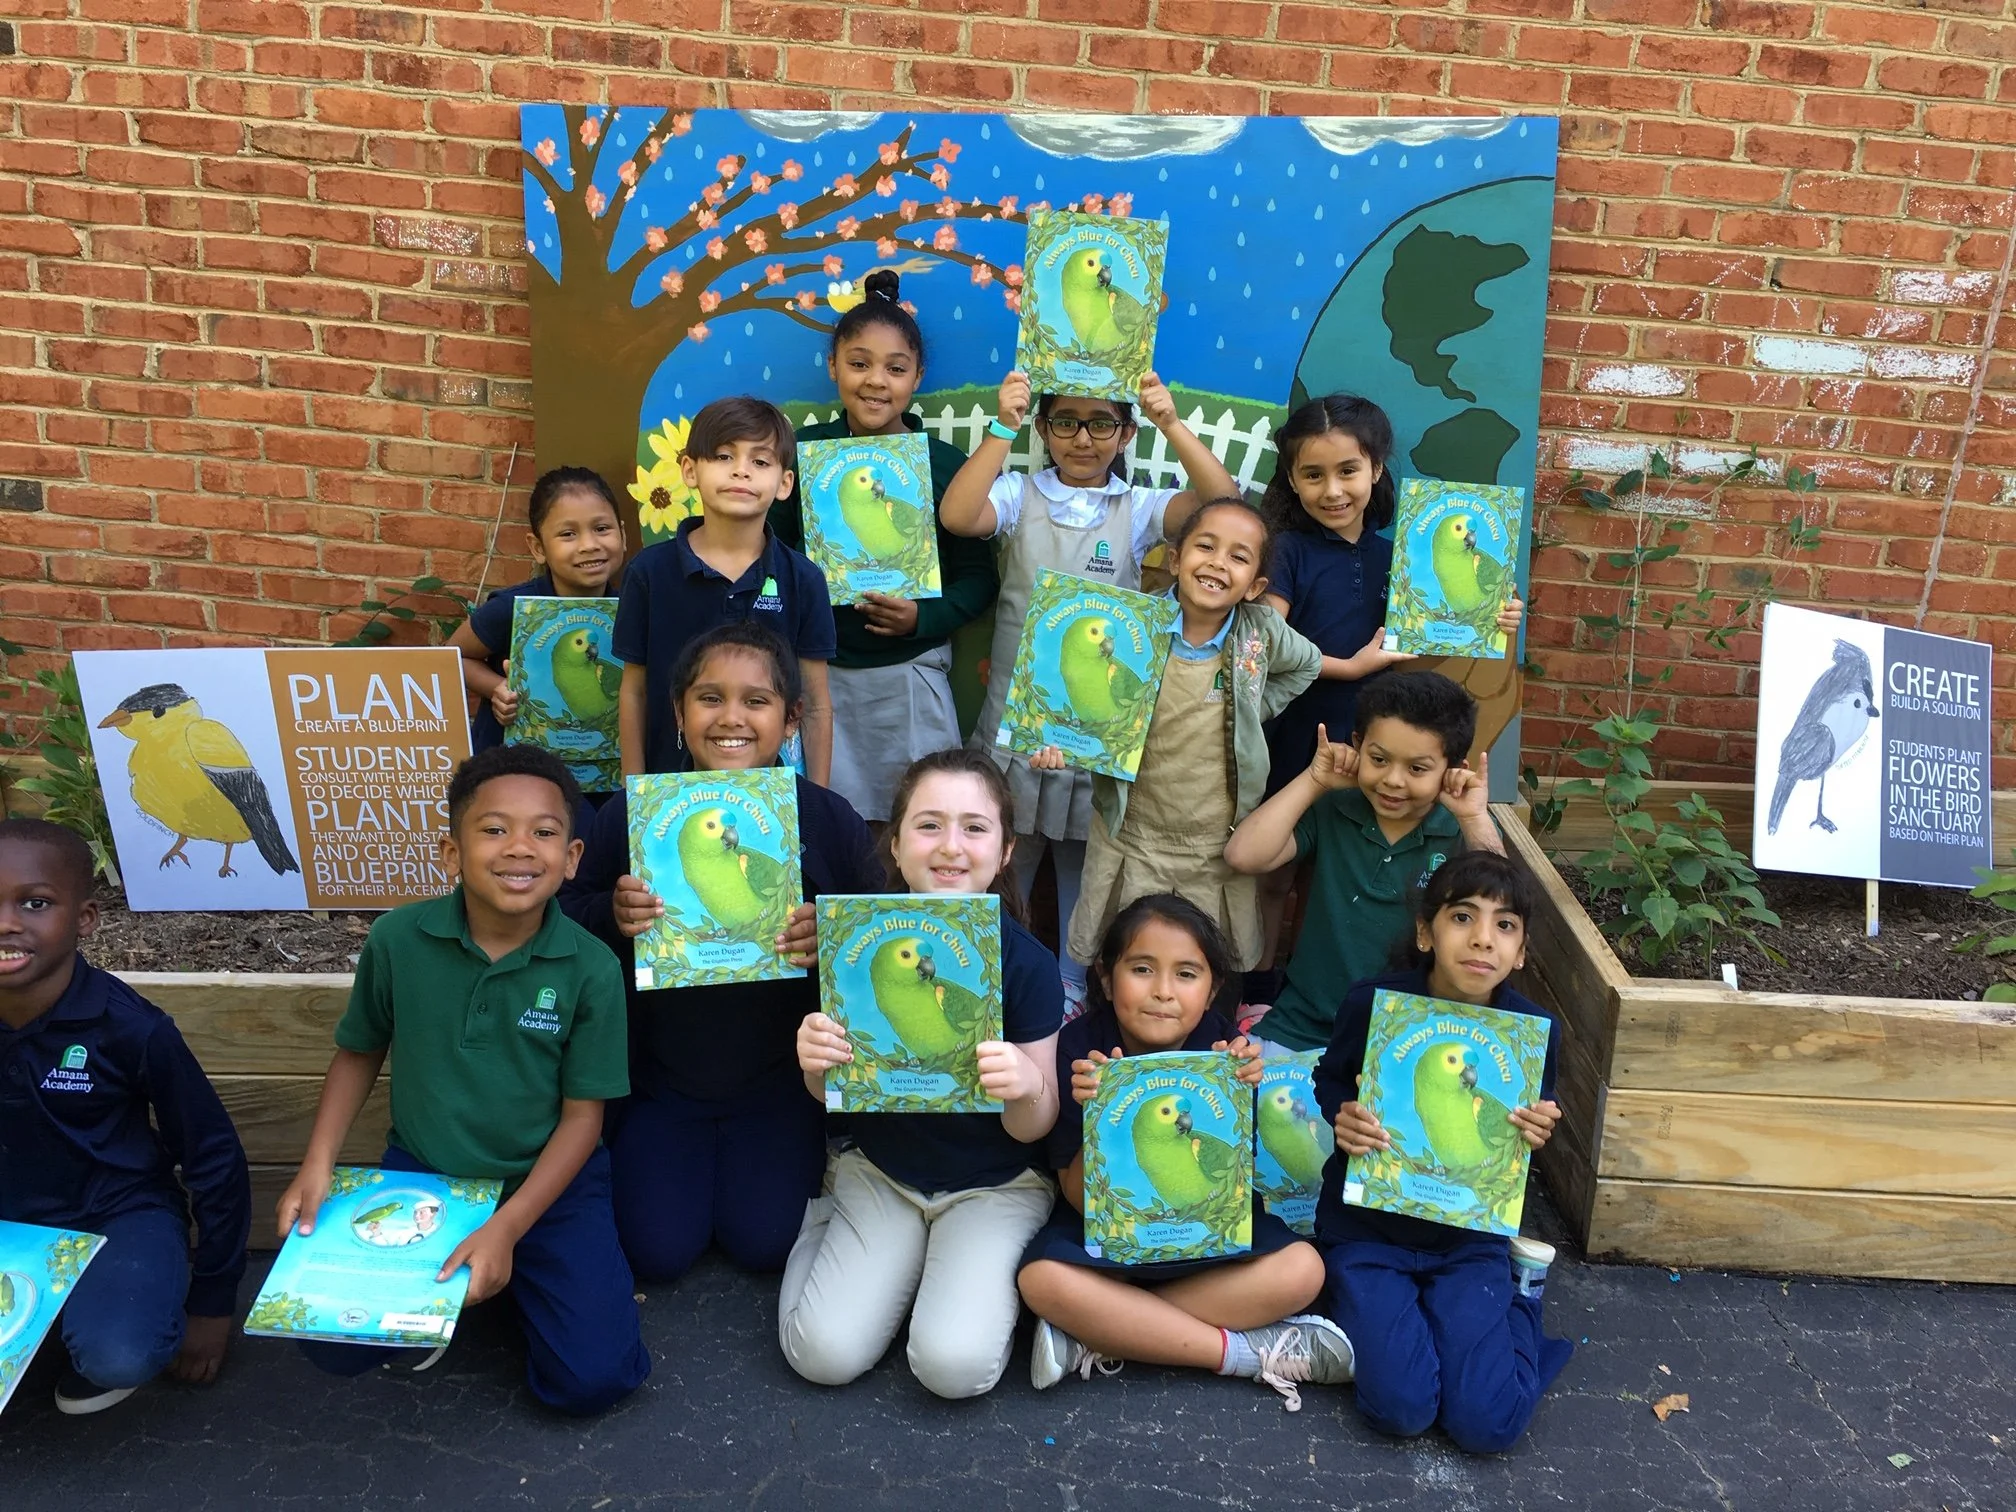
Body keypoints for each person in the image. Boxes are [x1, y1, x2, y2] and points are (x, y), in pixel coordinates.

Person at [277, 745, 649, 1416]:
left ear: (570, 861)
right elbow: (359, 1050)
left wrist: (509, 1227)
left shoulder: (591, 968)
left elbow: (582, 1119)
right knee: (329, 1341)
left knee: (592, 1380)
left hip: (547, 1186)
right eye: (493, 828)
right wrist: (318, 1163)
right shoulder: (396, 940)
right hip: (424, 1176)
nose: (519, 848)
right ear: (451, 854)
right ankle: (472, 1284)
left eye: (543, 832)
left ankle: (514, 1280)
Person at [561, 624, 881, 1283]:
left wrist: (835, 939)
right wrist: (610, 915)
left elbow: (882, 932)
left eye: (756, 701)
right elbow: (565, 913)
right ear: (678, 713)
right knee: (656, 1252)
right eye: (710, 698)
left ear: (791, 720)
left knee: (765, 1244)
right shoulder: (633, 815)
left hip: (779, 1083)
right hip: (661, 1080)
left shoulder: (827, 820)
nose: (731, 718)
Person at [940, 368, 1237, 1005]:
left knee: (1084, 858)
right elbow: (959, 514)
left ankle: (1071, 985)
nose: (1084, 438)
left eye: (1102, 423)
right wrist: (1002, 425)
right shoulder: (1020, 493)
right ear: (1044, 428)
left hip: (1098, 727)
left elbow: (1221, 503)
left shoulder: (1140, 508)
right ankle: (997, 975)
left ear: (1125, 432)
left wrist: (1171, 421)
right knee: (1006, 853)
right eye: (1066, 422)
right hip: (1016, 719)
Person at [782, 749, 1062, 1399]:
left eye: (974, 827)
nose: (951, 846)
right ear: (897, 845)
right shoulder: (856, 941)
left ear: (1006, 850)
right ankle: (829, 1227)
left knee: (953, 1368)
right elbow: (832, 1095)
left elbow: (1035, 1128)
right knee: (821, 1355)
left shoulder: (1028, 964)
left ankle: (954, 1277)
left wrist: (1027, 1085)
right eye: (929, 824)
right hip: (881, 1171)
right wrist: (815, 1062)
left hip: (996, 1184)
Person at [1016, 893, 1353, 1409]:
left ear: (1213, 988)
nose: (1163, 992)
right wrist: (1097, 1117)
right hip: (1113, 1237)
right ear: (1106, 978)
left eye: (1187, 974)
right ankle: (1240, 1353)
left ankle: (1108, 1330)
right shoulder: (1078, 1049)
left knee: (1305, 1269)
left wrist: (1244, 1092)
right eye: (1142, 969)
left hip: (1208, 1237)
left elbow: (1230, 1185)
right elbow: (1078, 1195)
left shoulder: (1225, 1051)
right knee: (1041, 1282)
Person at [1314, 851, 1573, 1452]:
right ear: (1426, 932)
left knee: (1488, 1426)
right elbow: (1331, 1078)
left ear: (1522, 952)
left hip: (1467, 1240)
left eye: (1505, 926)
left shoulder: (1532, 1033)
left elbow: (1532, 1117)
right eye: (1464, 917)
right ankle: (1394, 1320)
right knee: (1402, 1409)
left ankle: (1520, 1302)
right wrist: (1340, 1116)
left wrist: (1539, 1127)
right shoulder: (1374, 1003)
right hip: (1368, 1232)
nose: (1484, 939)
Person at [1253, 395, 1522, 967]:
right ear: (1293, 481)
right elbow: (1264, 646)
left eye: (1348, 471)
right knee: (1276, 875)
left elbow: (1419, 640)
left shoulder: (1403, 556)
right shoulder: (1286, 551)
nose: (1333, 490)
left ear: (1376, 470)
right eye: (1314, 475)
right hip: (1296, 737)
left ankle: (1321, 984)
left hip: (1380, 751)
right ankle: (1260, 984)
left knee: (1337, 874)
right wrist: (1349, 666)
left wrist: (1485, 613)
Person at [0, 817, 250, 1415]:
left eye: (35, 903)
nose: (7, 922)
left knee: (119, 1352)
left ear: (84, 919)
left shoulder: (131, 1028)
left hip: (113, 1213)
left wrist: (213, 1304)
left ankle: (99, 1316)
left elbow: (213, 1155)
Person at [1036, 497, 1320, 978]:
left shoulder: (1261, 633)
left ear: (1256, 586)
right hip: (1132, 832)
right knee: (1127, 953)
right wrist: (1066, 745)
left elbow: (1307, 665)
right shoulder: (1128, 627)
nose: (1216, 563)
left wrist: (1252, 709)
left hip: (1214, 841)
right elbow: (1092, 708)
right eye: (1205, 546)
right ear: (1174, 559)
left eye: (1238, 556)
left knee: (1203, 960)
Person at [768, 269, 998, 826]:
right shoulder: (802, 457)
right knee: (828, 824)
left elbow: (980, 578)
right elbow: (770, 557)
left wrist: (923, 616)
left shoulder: (942, 465)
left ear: (917, 376)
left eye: (895, 369)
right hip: (821, 677)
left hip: (910, 677)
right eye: (859, 363)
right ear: (833, 367)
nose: (876, 381)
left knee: (922, 819)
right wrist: (801, 602)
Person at [1224, 671, 1506, 1054]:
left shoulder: (1460, 830)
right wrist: (1314, 780)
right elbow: (1243, 855)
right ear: (1357, 745)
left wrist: (1474, 819)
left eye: (1417, 769)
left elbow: (1504, 905)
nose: (1393, 780)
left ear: (1453, 769)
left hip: (1404, 1038)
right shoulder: (1335, 807)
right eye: (1378, 759)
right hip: (1300, 1028)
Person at [613, 396, 836, 785]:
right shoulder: (649, 572)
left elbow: (815, 703)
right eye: (722, 456)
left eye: (760, 461)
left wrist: (817, 802)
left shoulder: (804, 579)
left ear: (784, 484)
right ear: (689, 470)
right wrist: (633, 794)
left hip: (772, 798)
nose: (741, 472)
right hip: (669, 793)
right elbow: (634, 692)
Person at [449, 465, 628, 757]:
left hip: (603, 769)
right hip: (513, 769)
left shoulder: (633, 609)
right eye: (568, 534)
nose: (589, 545)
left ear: (622, 533)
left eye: (602, 529)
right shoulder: (511, 607)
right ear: (537, 547)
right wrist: (497, 688)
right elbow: (452, 656)